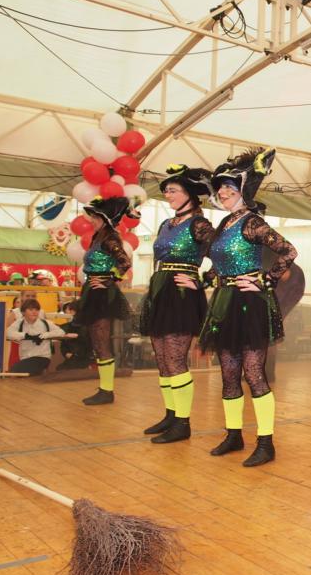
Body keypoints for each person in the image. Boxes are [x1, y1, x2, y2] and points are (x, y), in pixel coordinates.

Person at [201, 147, 298, 467]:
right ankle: (234, 435)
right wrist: (201, 280)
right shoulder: (224, 224)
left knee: (253, 373)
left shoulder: (253, 223)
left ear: (243, 190)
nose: (223, 193)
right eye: (220, 189)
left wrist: (265, 281)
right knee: (229, 374)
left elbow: (288, 251)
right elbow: (218, 263)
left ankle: (266, 443)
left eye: (229, 188)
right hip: (224, 303)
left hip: (250, 305)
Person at [140, 165, 214, 444]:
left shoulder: (199, 224)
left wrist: (202, 282)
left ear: (190, 195)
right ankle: (171, 415)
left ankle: (183, 423)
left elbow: (223, 254)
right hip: (161, 290)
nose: (167, 195)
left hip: (182, 294)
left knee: (174, 358)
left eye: (173, 190)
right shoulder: (165, 224)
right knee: (161, 359)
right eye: (166, 191)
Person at [73, 196, 136, 405]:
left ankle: (107, 390)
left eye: (95, 217)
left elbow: (124, 262)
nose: (91, 220)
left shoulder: (110, 238)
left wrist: (110, 279)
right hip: (93, 291)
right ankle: (104, 388)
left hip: (101, 295)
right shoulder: (99, 236)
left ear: (105, 218)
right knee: (97, 342)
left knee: (101, 341)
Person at [6, 298, 73, 375]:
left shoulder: (45, 323)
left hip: (42, 357)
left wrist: (46, 335)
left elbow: (61, 332)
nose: (34, 312)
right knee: (18, 372)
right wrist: (24, 335)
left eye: (37, 310)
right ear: (23, 312)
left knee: (15, 370)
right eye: (31, 309)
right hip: (25, 358)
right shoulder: (19, 323)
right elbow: (8, 333)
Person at [58, 301, 92, 370]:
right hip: (72, 358)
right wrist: (66, 353)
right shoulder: (68, 326)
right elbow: (63, 344)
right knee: (60, 369)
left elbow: (90, 343)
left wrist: (78, 336)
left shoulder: (88, 326)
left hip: (85, 358)